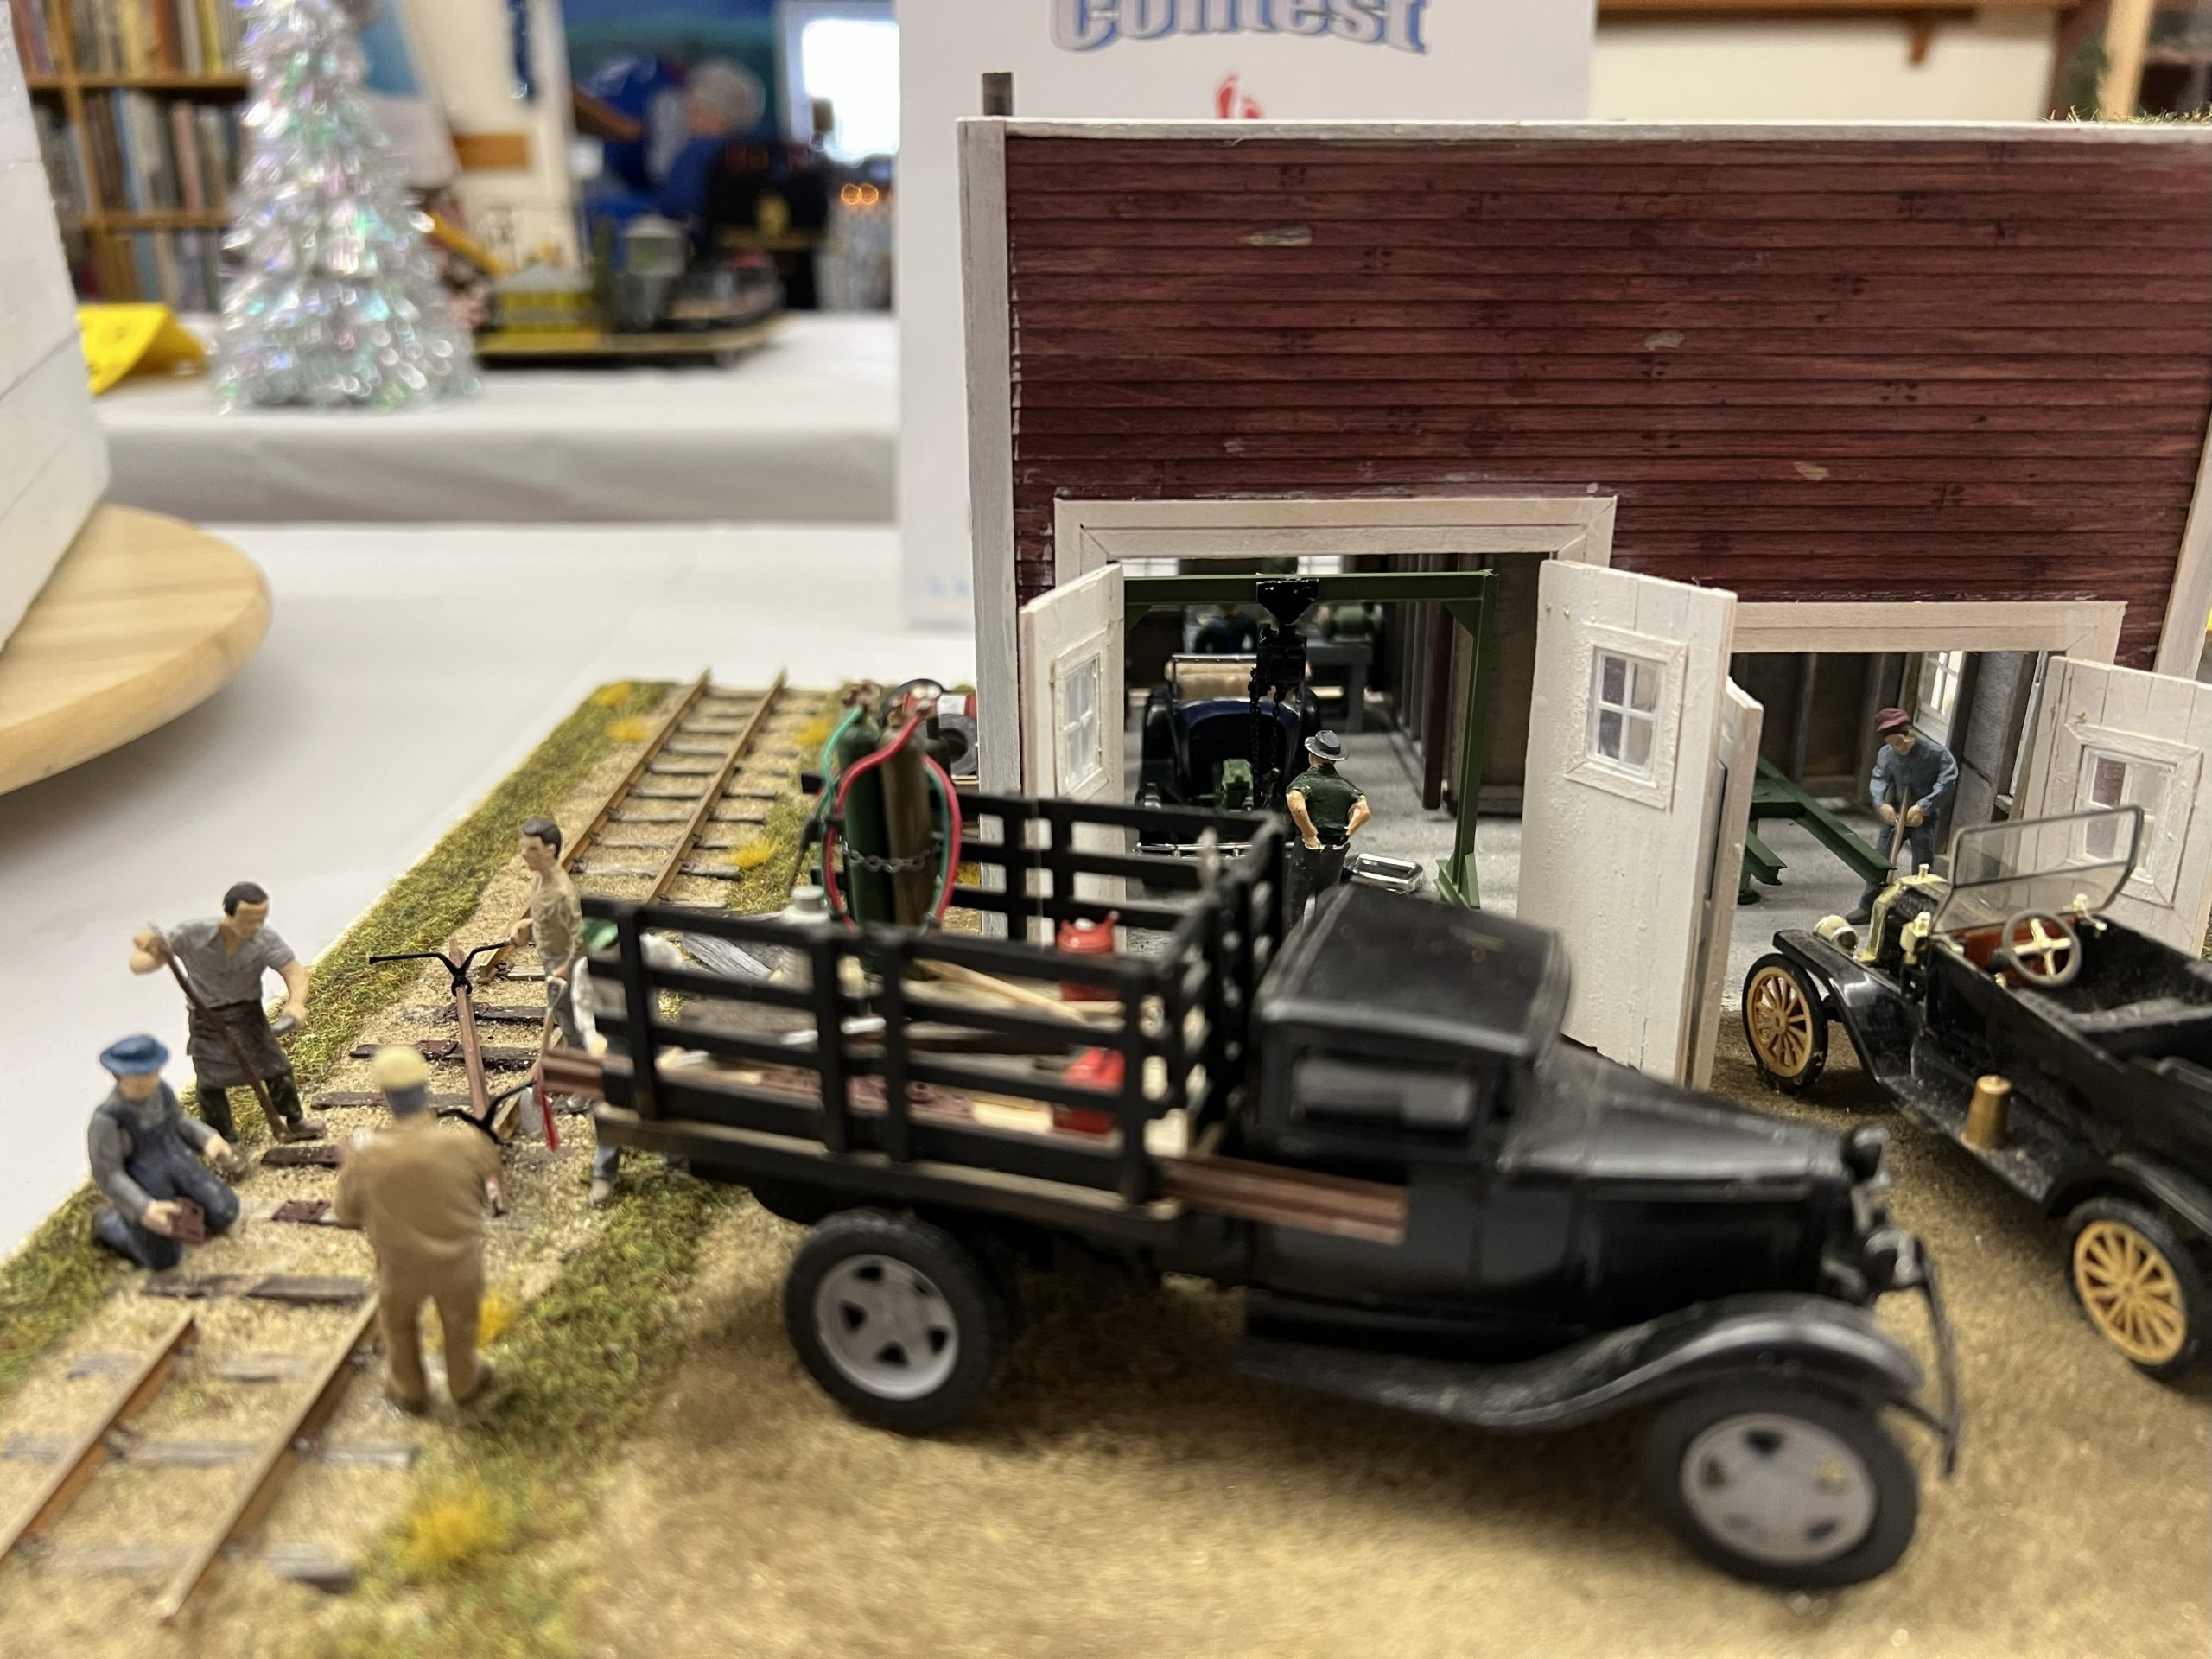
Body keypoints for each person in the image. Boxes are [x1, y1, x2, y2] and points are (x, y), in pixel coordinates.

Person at [335, 1046, 503, 1415]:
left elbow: (346, 1215)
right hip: (459, 1264)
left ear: (385, 1097)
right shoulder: (465, 1143)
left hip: (401, 1268)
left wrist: (352, 1165)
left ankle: (409, 1390)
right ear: (426, 1090)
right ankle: (464, 1383)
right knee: (460, 1324)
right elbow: (488, 1181)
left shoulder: (366, 1157)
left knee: (398, 1326)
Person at [130, 883, 321, 1143]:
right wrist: (149, 949)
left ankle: (294, 1122)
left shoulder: (264, 938)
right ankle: (223, 1141)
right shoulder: (192, 934)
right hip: (207, 1020)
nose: (254, 927)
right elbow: (143, 962)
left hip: (249, 1016)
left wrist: (296, 1002)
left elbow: (294, 971)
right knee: (210, 1082)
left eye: (260, 919)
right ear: (228, 914)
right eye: (248, 921)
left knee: (277, 1068)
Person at [87, 1034, 243, 1271]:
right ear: (121, 1077)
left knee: (226, 1210)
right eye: (142, 1075)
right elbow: (109, 1175)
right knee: (163, 1259)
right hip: (143, 1179)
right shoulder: (107, 1120)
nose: (152, 1079)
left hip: (178, 1159)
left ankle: (191, 1204)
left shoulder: (161, 1092)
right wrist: (142, 1207)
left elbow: (179, 1121)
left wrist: (207, 1138)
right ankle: (109, 1223)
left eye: (154, 1072)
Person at [1847, 707, 1959, 925]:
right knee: (1880, 860)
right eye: (1892, 744)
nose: (1897, 748)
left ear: (1910, 734)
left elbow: (1948, 779)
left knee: (1922, 865)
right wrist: (1882, 804)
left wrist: (1924, 806)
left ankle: (1918, 912)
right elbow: (1879, 778)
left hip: (1923, 819)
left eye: (1899, 742)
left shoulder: (1936, 754)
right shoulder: (1887, 755)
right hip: (1897, 814)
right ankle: (1867, 906)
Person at [512, 816, 585, 1084]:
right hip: (551, 959)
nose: (524, 854)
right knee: (564, 1016)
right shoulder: (539, 880)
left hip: (564, 963)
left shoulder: (563, 892)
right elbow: (548, 917)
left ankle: (585, 1078)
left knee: (573, 1020)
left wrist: (567, 967)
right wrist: (529, 926)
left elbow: (580, 936)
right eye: (523, 846)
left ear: (550, 850)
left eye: (532, 848)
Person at [1283, 731, 1370, 925]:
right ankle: (1321, 938)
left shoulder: (1303, 782)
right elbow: (1364, 810)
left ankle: (1294, 939)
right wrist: (1347, 831)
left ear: (1313, 756)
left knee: (1295, 901)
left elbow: (1296, 805)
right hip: (1336, 850)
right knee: (1327, 900)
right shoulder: (1347, 787)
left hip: (1308, 849)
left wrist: (1309, 832)